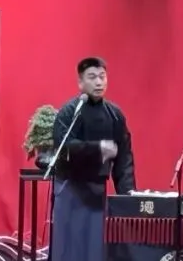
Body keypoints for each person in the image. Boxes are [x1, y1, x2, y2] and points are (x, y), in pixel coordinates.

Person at [50, 57, 136, 261]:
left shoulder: (115, 115)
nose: (98, 82)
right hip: (70, 187)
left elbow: (124, 158)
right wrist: (98, 149)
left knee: (94, 249)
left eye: (102, 77)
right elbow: (64, 147)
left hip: (97, 191)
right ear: (80, 82)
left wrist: (127, 193)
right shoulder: (69, 111)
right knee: (68, 248)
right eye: (92, 77)